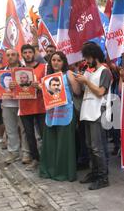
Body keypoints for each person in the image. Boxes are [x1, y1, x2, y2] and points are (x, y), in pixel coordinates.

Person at [75, 43, 112, 190]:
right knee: (90, 146)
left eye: (88, 58)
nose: (86, 61)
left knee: (97, 147)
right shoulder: (89, 71)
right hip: (88, 112)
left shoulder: (105, 71)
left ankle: (103, 177)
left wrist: (86, 81)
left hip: (98, 112)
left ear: (95, 56)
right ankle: (95, 172)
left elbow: (100, 92)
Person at [39, 52, 80, 182]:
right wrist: (41, 88)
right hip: (52, 113)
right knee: (51, 143)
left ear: (64, 62)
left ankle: (64, 172)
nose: (56, 62)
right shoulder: (48, 78)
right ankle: (50, 170)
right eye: (53, 60)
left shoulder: (68, 74)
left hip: (66, 112)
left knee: (65, 144)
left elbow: (77, 92)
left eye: (59, 60)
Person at [18, 44, 47, 171]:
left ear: (34, 53)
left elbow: (49, 86)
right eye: (25, 52)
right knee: (30, 135)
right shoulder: (18, 71)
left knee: (44, 134)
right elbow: (14, 90)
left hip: (41, 106)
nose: (28, 54)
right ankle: (36, 159)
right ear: (22, 54)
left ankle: (47, 159)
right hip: (25, 107)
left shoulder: (44, 67)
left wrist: (39, 85)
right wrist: (13, 86)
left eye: (30, 52)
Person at [1, 48, 31, 165]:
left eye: (13, 54)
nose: (10, 57)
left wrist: (17, 85)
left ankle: (26, 153)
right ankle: (13, 152)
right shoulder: (1, 72)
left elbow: (29, 87)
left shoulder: (26, 70)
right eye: (8, 55)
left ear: (18, 56)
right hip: (7, 103)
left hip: (22, 103)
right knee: (10, 129)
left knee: (24, 129)